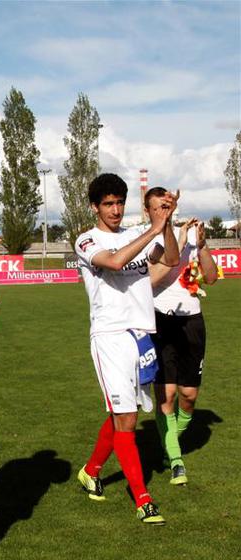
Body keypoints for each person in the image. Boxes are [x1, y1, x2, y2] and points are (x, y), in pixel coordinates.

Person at [74, 174, 178, 525]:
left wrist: (166, 224)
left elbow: (170, 258)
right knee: (127, 417)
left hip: (140, 334)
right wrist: (153, 229)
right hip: (109, 336)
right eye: (108, 204)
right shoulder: (86, 240)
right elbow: (115, 262)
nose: (115, 210)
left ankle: (91, 471)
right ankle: (143, 499)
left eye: (120, 202)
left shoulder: (137, 234)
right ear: (95, 207)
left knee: (124, 414)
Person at [146, 188, 220, 485]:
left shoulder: (190, 234)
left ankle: (168, 443)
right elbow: (157, 274)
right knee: (167, 395)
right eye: (158, 207)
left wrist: (201, 246)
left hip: (192, 322)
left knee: (188, 397)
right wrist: (176, 237)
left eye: (167, 205)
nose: (164, 210)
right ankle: (176, 461)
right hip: (160, 320)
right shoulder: (148, 239)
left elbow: (211, 278)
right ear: (148, 210)